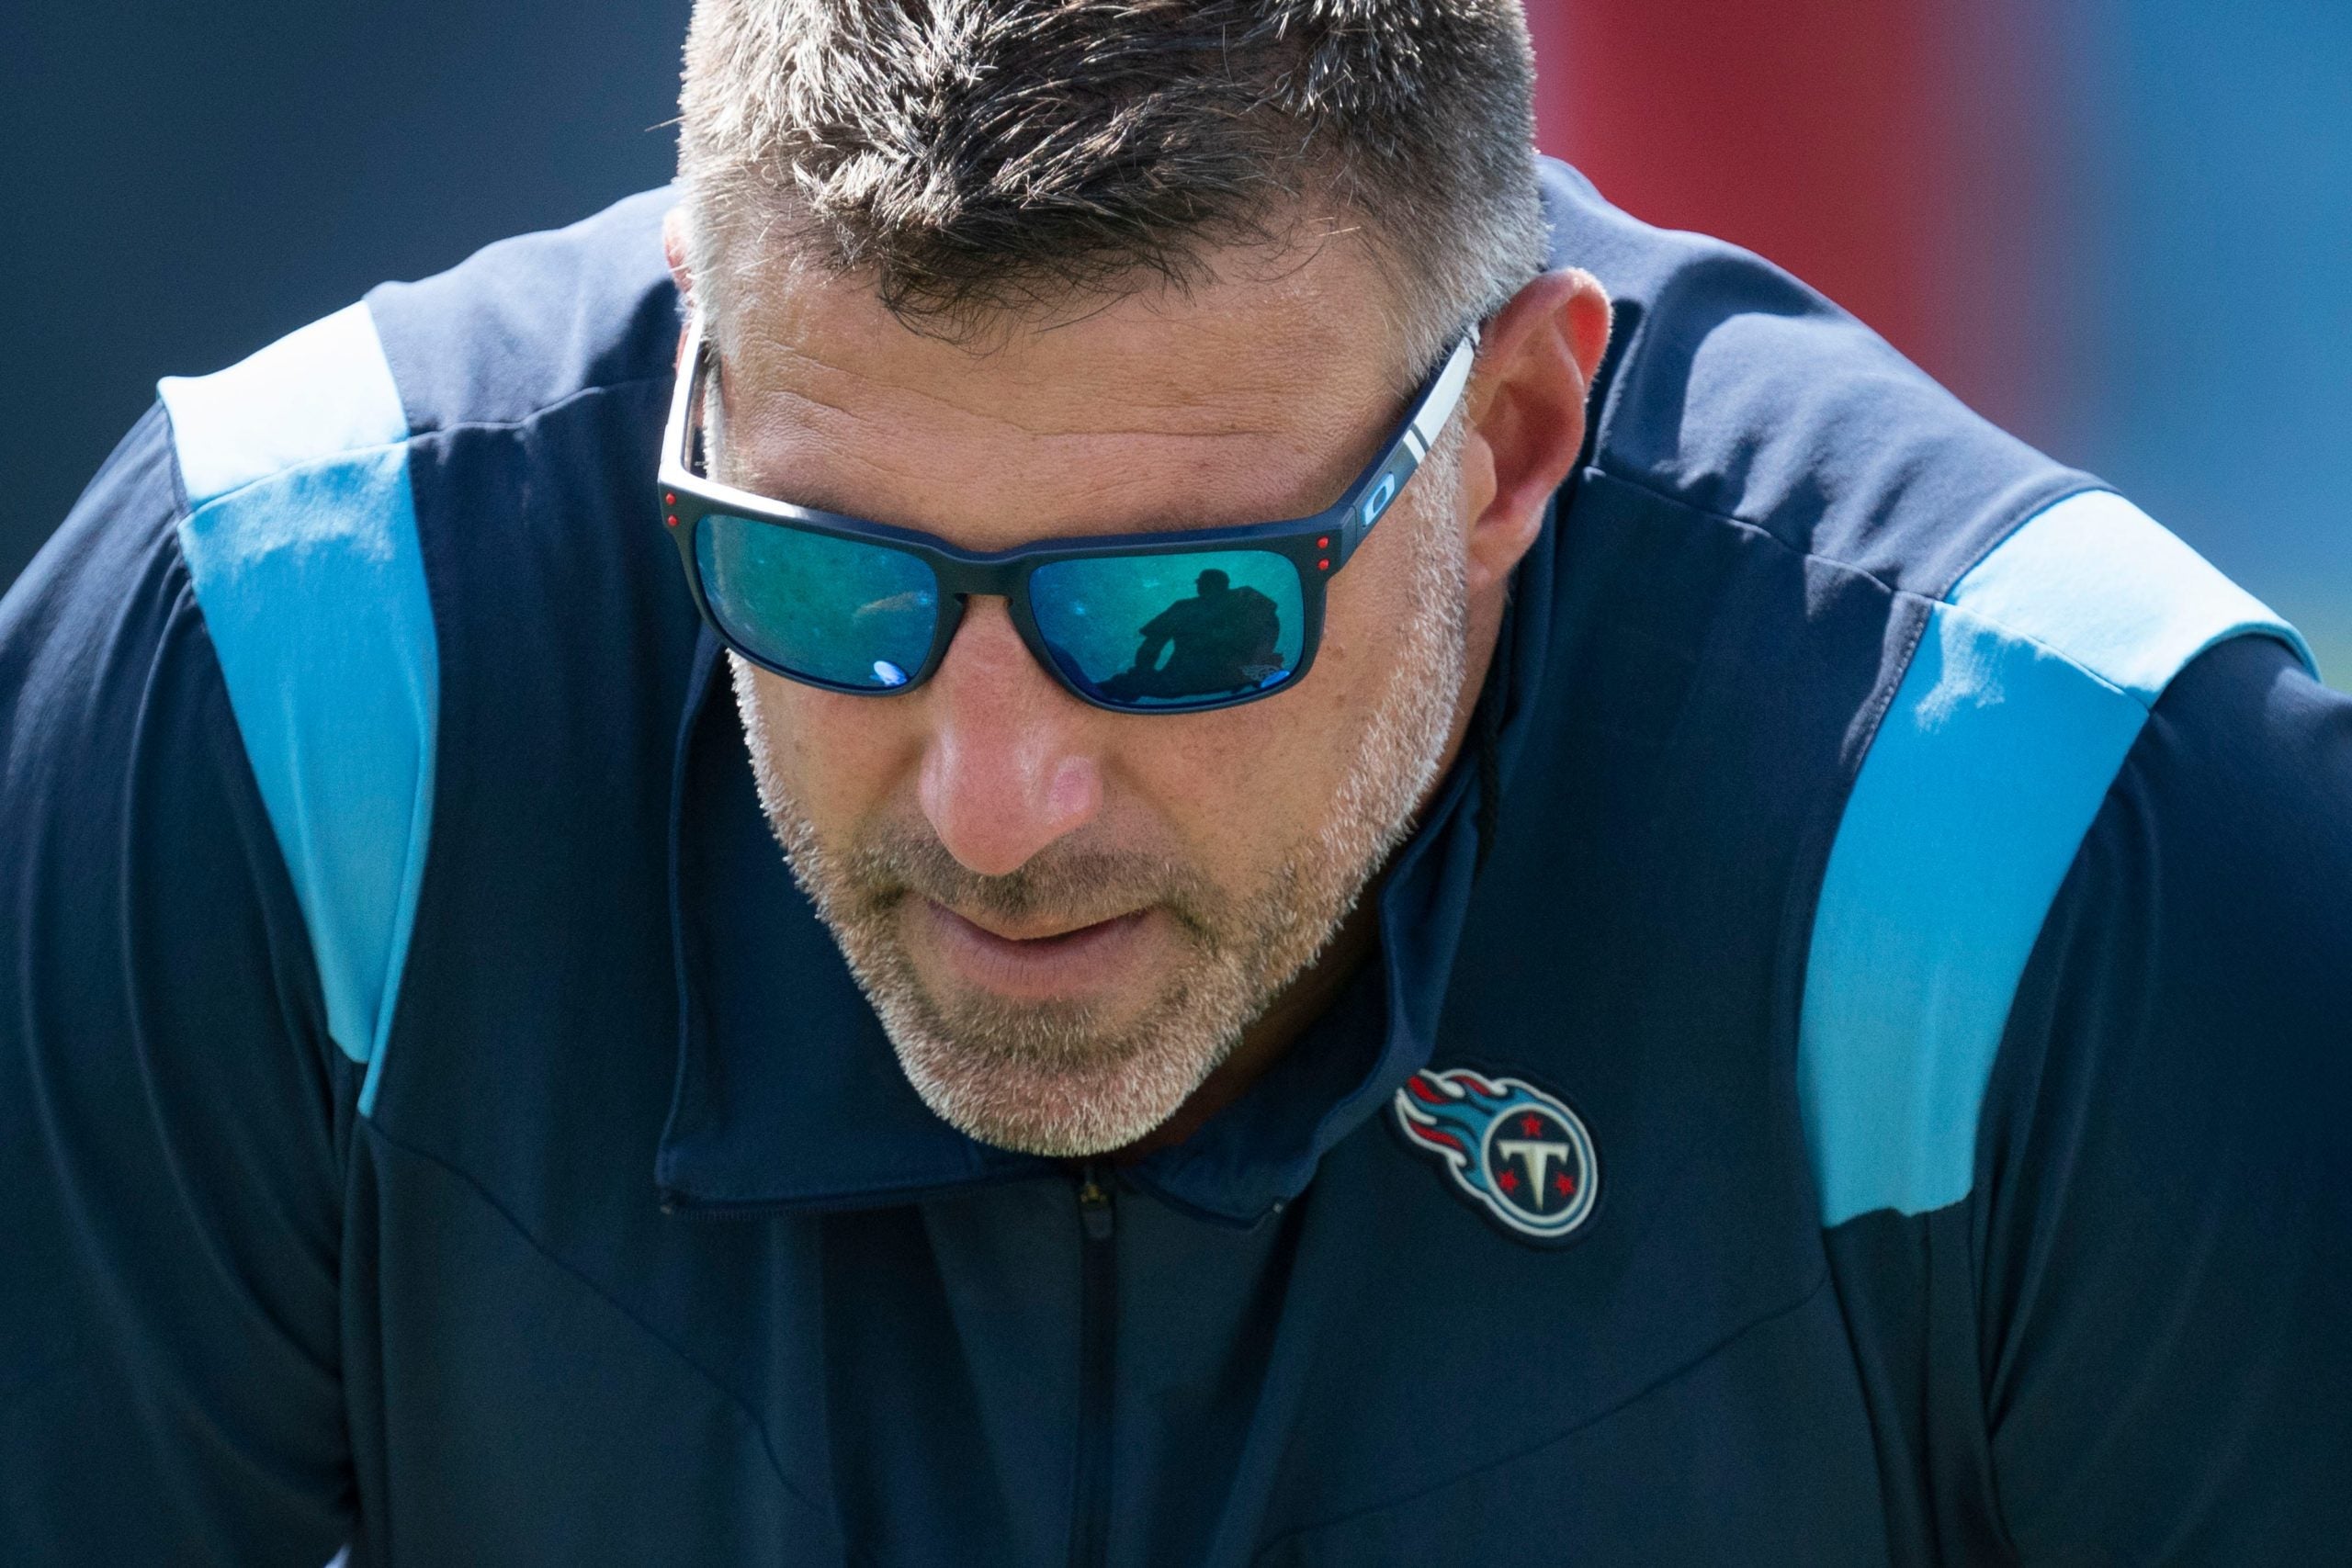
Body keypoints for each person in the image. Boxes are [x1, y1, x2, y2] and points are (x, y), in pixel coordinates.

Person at [2, 2, 2346, 1562]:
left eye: (1185, 613)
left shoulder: (2074, 851)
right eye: (833, 587)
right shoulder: (281, 660)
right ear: (697, 391)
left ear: (1512, 442)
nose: (1000, 797)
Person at [1101, 569, 1285, 703]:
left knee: (1119, 686)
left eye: (1202, 583)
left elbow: (1153, 643)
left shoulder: (1186, 608)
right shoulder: (1245, 599)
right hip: (1229, 674)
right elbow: (1271, 625)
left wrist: (1142, 673)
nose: (1201, 587)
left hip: (1188, 678)